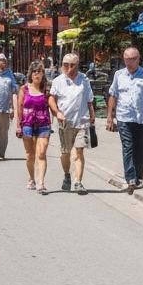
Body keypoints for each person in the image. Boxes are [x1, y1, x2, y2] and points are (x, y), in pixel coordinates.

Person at [106, 46, 143, 195]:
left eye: (132, 59)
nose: (129, 62)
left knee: (140, 149)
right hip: (124, 117)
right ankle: (130, 178)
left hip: (141, 118)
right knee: (128, 147)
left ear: (138, 59)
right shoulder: (119, 75)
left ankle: (139, 173)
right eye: (127, 59)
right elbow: (113, 95)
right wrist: (110, 116)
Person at [48, 53, 94, 194]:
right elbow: (51, 99)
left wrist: (92, 115)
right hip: (65, 121)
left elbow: (89, 100)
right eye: (65, 64)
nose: (68, 68)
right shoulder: (58, 81)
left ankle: (78, 182)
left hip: (81, 121)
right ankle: (67, 175)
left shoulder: (84, 80)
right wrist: (57, 113)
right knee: (66, 152)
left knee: (79, 150)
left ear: (77, 65)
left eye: (71, 65)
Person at [16, 60, 51, 193]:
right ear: (31, 74)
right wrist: (18, 125)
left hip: (43, 124)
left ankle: (41, 183)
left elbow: (52, 104)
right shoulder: (24, 89)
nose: (37, 74)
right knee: (30, 154)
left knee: (41, 154)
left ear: (43, 74)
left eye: (40, 71)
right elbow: (19, 107)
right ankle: (31, 178)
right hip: (27, 124)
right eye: (34, 71)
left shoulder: (46, 89)